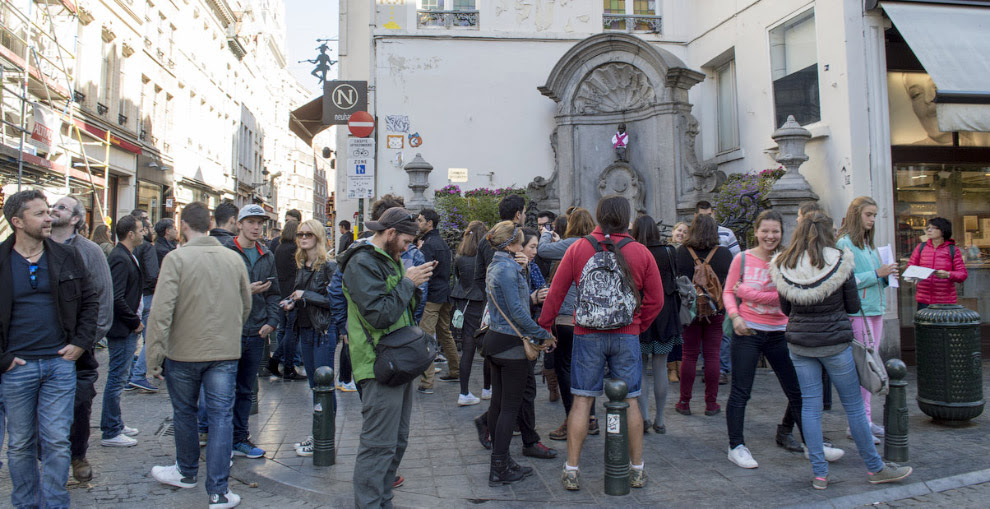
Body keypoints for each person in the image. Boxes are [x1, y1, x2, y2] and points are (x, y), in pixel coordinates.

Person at [770, 211, 913, 490]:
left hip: (800, 345)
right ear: (828, 232)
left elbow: (785, 309)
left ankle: (820, 475)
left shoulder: (784, 263)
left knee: (810, 407)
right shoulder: (839, 260)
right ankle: (874, 468)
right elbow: (850, 305)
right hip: (835, 343)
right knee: (854, 407)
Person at [539, 195, 664, 491]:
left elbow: (555, 293)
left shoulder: (579, 248)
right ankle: (636, 469)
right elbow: (656, 300)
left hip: (587, 333)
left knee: (582, 399)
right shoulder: (640, 252)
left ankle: (572, 469)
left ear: (599, 216)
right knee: (631, 399)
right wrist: (636, 324)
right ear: (626, 218)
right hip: (626, 335)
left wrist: (545, 328)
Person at [146, 202, 252, 509]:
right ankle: (218, 491)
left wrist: (153, 357)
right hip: (223, 352)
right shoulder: (233, 259)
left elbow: (161, 311)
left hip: (183, 352)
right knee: (221, 418)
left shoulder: (176, 259)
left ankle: (186, 471)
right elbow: (246, 305)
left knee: (185, 413)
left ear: (183, 227)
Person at [1, 190, 98, 508]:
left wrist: (80, 343)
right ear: (17, 221)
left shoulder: (66, 256)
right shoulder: (2, 261)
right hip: (18, 369)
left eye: (50, 211)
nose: (49, 217)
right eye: (40, 213)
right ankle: (25, 503)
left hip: (59, 364)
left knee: (57, 440)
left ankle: (56, 503)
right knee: (20, 444)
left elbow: (90, 301)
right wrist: (3, 359)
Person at [339, 207, 433, 509]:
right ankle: (370, 504)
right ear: (390, 233)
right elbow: (380, 315)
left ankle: (383, 501)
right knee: (378, 446)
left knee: (397, 441)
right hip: (378, 363)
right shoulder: (362, 262)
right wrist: (408, 282)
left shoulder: (389, 259)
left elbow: (402, 307)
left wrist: (411, 284)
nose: (408, 247)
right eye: (405, 240)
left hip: (398, 361)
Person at [721, 210, 832, 469]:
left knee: (797, 391)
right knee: (740, 392)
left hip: (781, 332)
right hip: (747, 332)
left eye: (775, 231)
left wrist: (748, 292)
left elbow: (786, 296)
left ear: (782, 233)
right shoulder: (743, 259)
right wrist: (736, 316)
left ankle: (812, 444)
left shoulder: (787, 260)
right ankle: (736, 446)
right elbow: (728, 291)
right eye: (765, 231)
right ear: (756, 232)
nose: (770, 236)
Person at [482, 221, 555, 487]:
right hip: (511, 345)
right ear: (513, 244)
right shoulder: (508, 269)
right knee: (509, 409)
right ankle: (499, 465)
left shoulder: (496, 265)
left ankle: (500, 461)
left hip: (496, 341)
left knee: (499, 405)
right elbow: (519, 311)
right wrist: (544, 335)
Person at [49, 195, 114, 483]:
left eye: (61, 207)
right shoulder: (38, 246)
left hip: (79, 346)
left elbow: (103, 297)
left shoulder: (89, 251)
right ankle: (51, 458)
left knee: (79, 403)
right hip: (45, 344)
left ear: (75, 218)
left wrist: (87, 340)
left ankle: (78, 455)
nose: (54, 209)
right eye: (53, 206)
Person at [218, 204, 280, 459]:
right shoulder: (224, 251)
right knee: (222, 389)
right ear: (239, 223)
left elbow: (275, 293)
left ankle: (239, 439)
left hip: (256, 331)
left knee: (246, 389)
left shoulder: (267, 255)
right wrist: (247, 291)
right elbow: (214, 292)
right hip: (229, 330)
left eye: (260, 223)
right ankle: (218, 441)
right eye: (251, 222)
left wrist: (272, 321)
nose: (256, 227)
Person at [836, 197, 897, 442]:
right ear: (856, 214)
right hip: (858, 311)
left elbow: (869, 278)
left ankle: (866, 421)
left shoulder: (868, 244)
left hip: (875, 308)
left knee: (870, 365)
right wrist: (876, 274)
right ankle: (858, 423)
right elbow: (846, 280)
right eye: (868, 214)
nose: (872, 219)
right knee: (864, 367)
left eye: (874, 215)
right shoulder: (845, 243)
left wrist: (886, 276)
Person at [536, 207, 599, 441]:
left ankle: (572, 419)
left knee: (565, 368)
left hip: (568, 316)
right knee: (588, 368)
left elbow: (543, 251)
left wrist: (546, 231)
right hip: (593, 317)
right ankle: (590, 417)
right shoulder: (598, 245)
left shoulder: (573, 244)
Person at [280, 219, 339, 457]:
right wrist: (292, 302)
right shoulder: (303, 264)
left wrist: (307, 295)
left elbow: (334, 302)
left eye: (308, 234)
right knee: (315, 386)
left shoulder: (329, 266)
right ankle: (318, 434)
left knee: (323, 386)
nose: (303, 238)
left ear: (318, 237)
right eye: (300, 235)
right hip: (305, 330)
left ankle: (323, 437)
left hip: (323, 331)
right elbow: (303, 297)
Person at [675, 214, 733, 417]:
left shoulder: (682, 252)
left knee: (689, 355)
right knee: (712, 356)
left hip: (689, 311)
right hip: (715, 310)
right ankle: (711, 403)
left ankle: (684, 402)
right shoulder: (725, 254)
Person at [631, 215, 682, 435]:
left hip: (641, 314)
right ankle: (660, 419)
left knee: (641, 367)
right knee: (661, 366)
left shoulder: (634, 252)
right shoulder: (669, 251)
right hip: (665, 315)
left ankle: (644, 416)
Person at [101, 214, 146, 447]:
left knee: (120, 375)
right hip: (122, 328)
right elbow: (116, 296)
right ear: (130, 234)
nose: (143, 233)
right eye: (140, 230)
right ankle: (110, 430)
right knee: (117, 378)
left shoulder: (127, 255)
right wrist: (133, 321)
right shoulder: (119, 257)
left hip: (126, 326)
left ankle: (115, 422)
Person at [696, 200, 740, 385]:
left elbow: (737, 259)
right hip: (700, 291)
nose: (707, 218)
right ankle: (709, 366)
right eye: (702, 215)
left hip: (722, 288)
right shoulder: (693, 236)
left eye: (709, 214)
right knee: (703, 331)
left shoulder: (727, 233)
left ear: (713, 213)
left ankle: (721, 368)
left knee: (722, 331)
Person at [417, 208, 459, 392]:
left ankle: (427, 383)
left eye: (420, 220)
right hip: (445, 293)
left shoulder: (428, 245)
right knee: (445, 333)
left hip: (432, 296)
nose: (417, 223)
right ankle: (456, 370)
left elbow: (425, 272)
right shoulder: (442, 243)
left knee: (426, 337)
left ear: (429, 223)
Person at [452, 221, 488, 406]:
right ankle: (487, 388)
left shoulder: (460, 257)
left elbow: (457, 279)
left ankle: (464, 392)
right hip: (483, 303)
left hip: (465, 304)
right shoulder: (486, 257)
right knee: (488, 348)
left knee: (467, 350)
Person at [128, 213, 161, 394]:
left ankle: (134, 373)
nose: (148, 231)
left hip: (137, 295)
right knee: (152, 337)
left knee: (137, 339)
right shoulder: (147, 248)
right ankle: (139, 375)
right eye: (145, 229)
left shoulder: (130, 249)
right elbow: (153, 274)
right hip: (147, 296)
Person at [907, 217, 968, 308]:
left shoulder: (952, 250)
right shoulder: (921, 247)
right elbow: (910, 268)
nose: (929, 230)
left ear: (943, 231)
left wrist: (948, 274)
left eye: (933, 228)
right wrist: (916, 274)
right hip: (923, 299)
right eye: (928, 228)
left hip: (945, 301)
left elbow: (962, 274)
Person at [270, 220, 304, 380]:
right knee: (292, 331)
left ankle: (277, 361)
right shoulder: (295, 250)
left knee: (286, 330)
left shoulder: (279, 248)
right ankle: (287, 366)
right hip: (292, 294)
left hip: (282, 292)